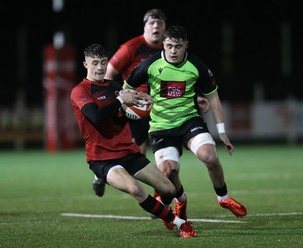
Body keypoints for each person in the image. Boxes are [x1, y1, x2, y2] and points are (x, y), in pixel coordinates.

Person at [123, 26, 247, 229]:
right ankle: (181, 200)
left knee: (209, 156)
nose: (173, 51)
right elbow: (126, 88)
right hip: (161, 127)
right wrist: (135, 102)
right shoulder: (150, 64)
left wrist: (222, 131)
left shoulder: (196, 65)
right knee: (169, 172)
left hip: (189, 121)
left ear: (186, 46)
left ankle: (223, 197)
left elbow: (213, 96)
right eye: (169, 46)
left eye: (178, 47)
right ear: (163, 44)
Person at [70, 43, 196, 238]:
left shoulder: (115, 87)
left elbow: (128, 114)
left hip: (128, 153)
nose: (100, 67)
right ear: (85, 64)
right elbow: (96, 117)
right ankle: (179, 223)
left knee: (168, 188)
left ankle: (165, 211)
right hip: (102, 159)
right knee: (135, 189)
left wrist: (144, 103)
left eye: (103, 62)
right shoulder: (80, 91)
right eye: (94, 63)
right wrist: (121, 100)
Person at [92, 8, 209, 197]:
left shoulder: (171, 48)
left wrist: (196, 97)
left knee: (161, 158)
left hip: (163, 108)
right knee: (133, 154)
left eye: (160, 23)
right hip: (137, 108)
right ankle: (103, 173)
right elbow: (108, 74)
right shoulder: (131, 47)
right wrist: (118, 98)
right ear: (145, 26)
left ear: (165, 28)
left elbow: (180, 80)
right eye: (151, 23)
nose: (156, 26)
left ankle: (160, 196)